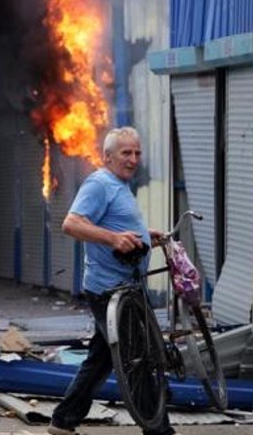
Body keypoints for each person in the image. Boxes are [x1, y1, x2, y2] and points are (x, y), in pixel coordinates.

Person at [48, 126, 176, 435]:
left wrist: (147, 235)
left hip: (123, 287)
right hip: (111, 292)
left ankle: (63, 421)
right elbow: (71, 224)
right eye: (126, 153)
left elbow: (117, 224)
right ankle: (158, 430)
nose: (133, 159)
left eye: (137, 153)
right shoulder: (99, 184)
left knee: (102, 359)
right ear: (107, 157)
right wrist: (113, 239)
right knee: (140, 357)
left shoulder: (119, 184)